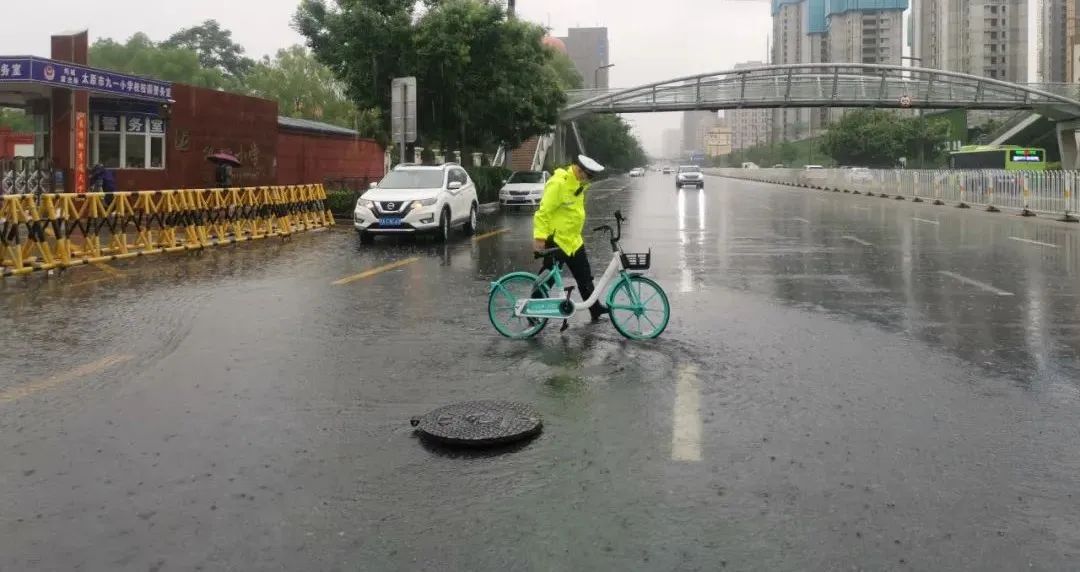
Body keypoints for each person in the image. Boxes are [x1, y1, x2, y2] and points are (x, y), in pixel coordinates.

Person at [533, 154, 609, 323]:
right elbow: (543, 212)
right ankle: (531, 311)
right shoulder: (558, 183)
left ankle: (594, 308)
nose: (588, 180)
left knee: (585, 277)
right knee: (547, 280)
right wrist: (539, 238)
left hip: (574, 241)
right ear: (580, 171)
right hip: (557, 241)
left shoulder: (577, 185)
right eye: (588, 176)